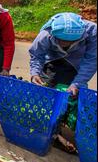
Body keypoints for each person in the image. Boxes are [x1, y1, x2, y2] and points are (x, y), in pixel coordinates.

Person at [29, 12, 97, 153]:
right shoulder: (46, 34)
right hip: (52, 61)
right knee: (49, 95)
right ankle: (54, 132)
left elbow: (91, 61)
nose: (64, 44)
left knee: (74, 96)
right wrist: (35, 73)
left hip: (77, 64)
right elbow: (36, 55)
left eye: (69, 42)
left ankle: (76, 132)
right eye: (60, 40)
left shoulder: (92, 33)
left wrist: (77, 83)